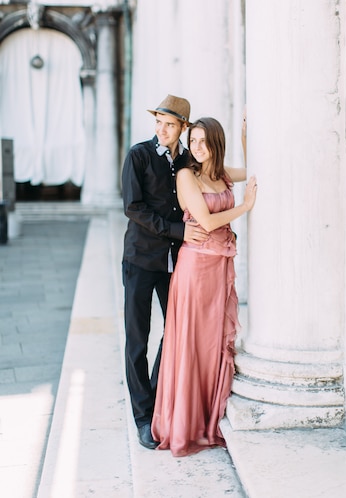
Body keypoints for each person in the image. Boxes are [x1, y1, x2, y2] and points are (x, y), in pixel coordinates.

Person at [151, 116, 257, 457]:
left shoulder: (219, 175)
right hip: (195, 269)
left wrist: (245, 138)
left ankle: (209, 414)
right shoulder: (187, 176)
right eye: (193, 141)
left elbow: (252, 169)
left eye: (202, 141)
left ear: (214, 143)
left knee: (212, 341)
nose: (196, 147)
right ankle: (185, 422)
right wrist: (245, 207)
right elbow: (209, 222)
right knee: (192, 343)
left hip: (218, 267)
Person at [121, 95, 209, 450]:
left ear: (182, 129)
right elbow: (133, 207)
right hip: (141, 260)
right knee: (137, 339)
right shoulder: (138, 155)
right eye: (159, 122)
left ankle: (157, 398)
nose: (162, 129)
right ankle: (144, 417)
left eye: (170, 124)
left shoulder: (186, 160)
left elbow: (215, 172)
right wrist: (178, 231)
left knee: (173, 332)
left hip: (172, 262)